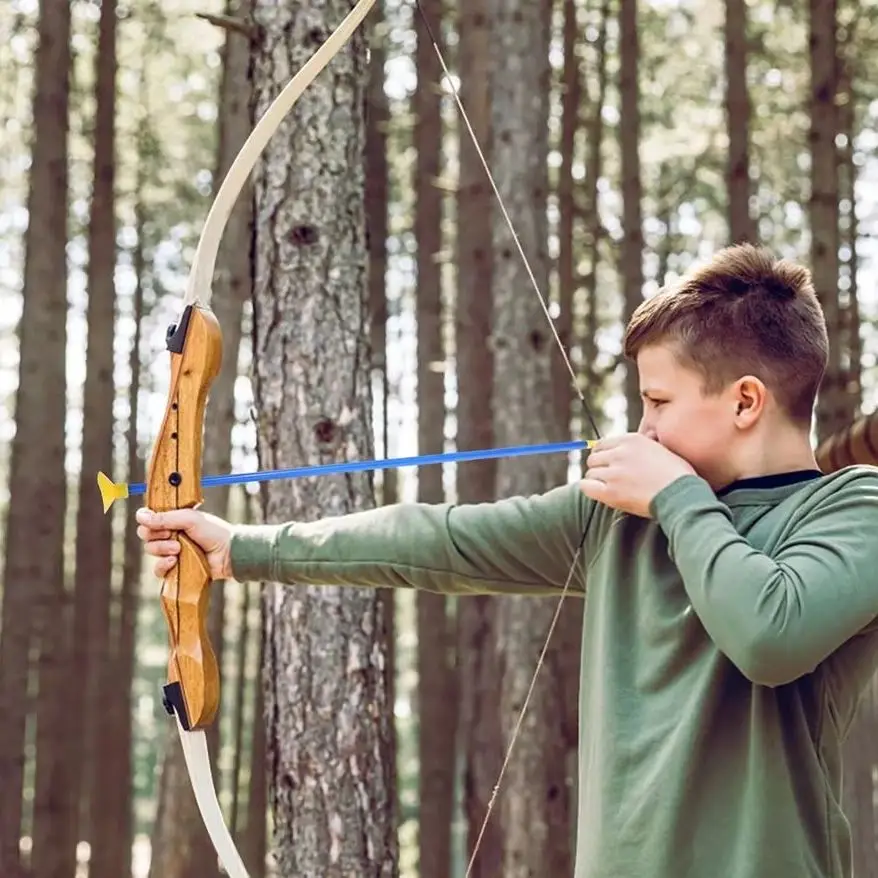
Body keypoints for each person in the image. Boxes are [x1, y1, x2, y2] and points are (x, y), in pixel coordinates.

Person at [136, 243, 878, 878]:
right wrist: (242, 548)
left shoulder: (853, 511)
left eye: (658, 402)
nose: (642, 427)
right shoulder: (619, 517)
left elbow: (769, 635)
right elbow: (439, 539)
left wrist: (680, 499)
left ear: (746, 401)